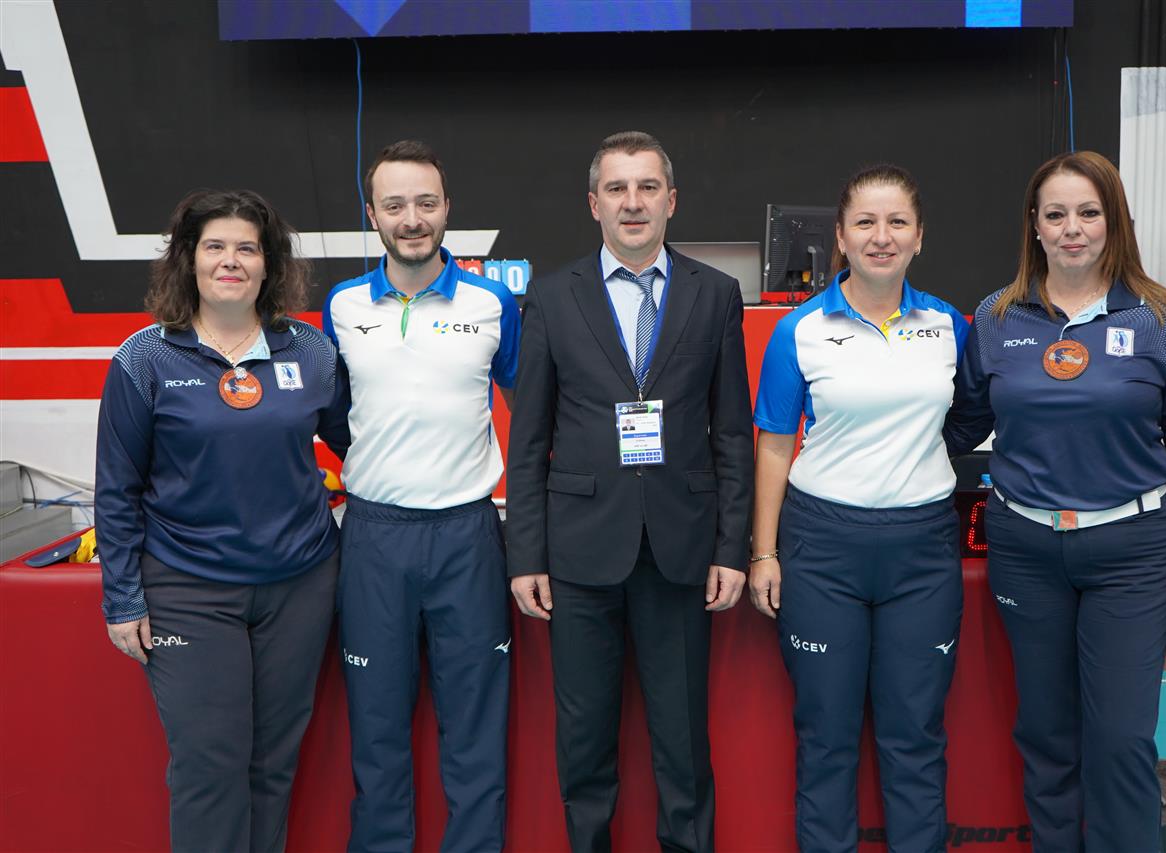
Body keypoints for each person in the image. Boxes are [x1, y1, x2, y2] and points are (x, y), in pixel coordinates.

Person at [945, 150, 1166, 852]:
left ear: (1113, 221)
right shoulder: (997, 317)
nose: (1072, 228)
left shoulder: (1159, 317)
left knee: (1120, 737)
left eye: (1088, 213)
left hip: (1133, 552)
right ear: (1034, 225)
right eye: (1056, 214)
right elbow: (959, 425)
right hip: (1025, 549)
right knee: (1046, 733)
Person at [505, 130, 753, 853]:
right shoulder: (552, 296)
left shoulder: (715, 294)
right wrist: (526, 555)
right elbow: (529, 441)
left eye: (647, 187)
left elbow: (732, 432)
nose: (633, 202)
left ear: (672, 200)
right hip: (579, 552)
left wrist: (731, 548)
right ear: (594, 204)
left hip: (681, 548)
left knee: (683, 744)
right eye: (617, 188)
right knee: (584, 745)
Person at [95, 189, 349, 853]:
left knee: (272, 762)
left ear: (269, 265)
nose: (230, 260)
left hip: (300, 584)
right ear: (189, 259)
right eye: (214, 246)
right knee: (210, 766)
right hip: (188, 589)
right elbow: (117, 488)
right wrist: (123, 597)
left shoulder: (311, 352)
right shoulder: (145, 358)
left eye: (247, 248)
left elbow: (363, 447)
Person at [750, 165, 969, 852]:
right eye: (866, 223)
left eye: (897, 222)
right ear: (841, 237)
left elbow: (972, 423)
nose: (882, 236)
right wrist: (764, 552)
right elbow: (774, 447)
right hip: (823, 549)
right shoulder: (799, 329)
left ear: (919, 236)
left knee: (915, 736)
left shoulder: (951, 326)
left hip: (922, 549)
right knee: (827, 738)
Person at [323, 140, 520, 853]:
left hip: (468, 537)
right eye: (396, 204)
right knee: (376, 731)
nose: (413, 218)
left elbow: (530, 414)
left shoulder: (493, 302)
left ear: (447, 209)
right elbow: (338, 416)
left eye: (426, 203)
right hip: (374, 538)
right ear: (372, 213)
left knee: (476, 731)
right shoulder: (342, 305)